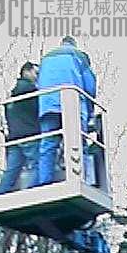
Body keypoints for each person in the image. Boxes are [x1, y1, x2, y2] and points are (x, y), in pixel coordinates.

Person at [37, 37, 97, 185]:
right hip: (72, 103)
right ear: (74, 44)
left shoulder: (45, 59)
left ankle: (44, 181)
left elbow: (39, 83)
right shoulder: (79, 55)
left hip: (47, 104)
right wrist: (90, 112)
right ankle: (83, 179)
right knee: (78, 141)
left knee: (48, 143)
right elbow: (90, 86)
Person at [0, 62, 40, 195]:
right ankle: (30, 193)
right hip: (30, 135)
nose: (37, 77)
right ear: (27, 71)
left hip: (14, 138)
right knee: (40, 164)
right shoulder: (30, 91)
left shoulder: (12, 96)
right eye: (36, 73)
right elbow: (38, 111)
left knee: (12, 170)